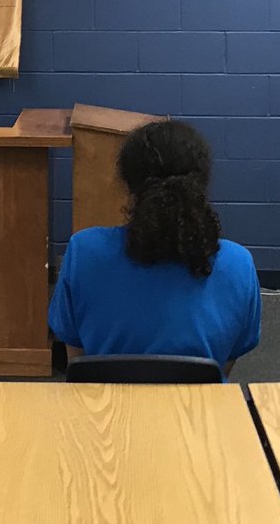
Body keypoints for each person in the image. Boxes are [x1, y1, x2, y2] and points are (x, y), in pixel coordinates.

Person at [48, 120, 261, 379]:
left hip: (104, 413)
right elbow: (222, 367)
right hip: (201, 415)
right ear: (201, 184)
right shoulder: (238, 264)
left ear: (128, 185)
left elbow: (78, 364)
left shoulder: (83, 251)